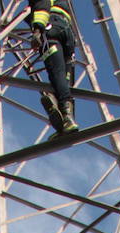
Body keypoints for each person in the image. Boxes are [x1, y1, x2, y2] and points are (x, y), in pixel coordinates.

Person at [29, 3, 78, 135]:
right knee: (64, 78)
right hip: (68, 32)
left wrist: (37, 31)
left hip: (51, 27)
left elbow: (42, 5)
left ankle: (66, 116)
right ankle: (67, 119)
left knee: (56, 73)